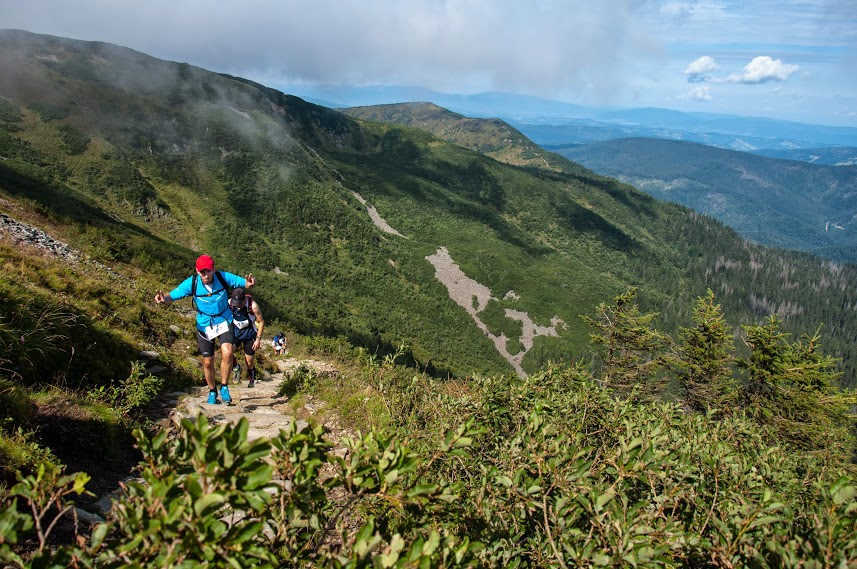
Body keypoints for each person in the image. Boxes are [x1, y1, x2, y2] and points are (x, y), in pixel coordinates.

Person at [154, 254, 254, 404]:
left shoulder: (222, 277)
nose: (205, 275)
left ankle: (224, 387)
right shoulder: (192, 283)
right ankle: (212, 391)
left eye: (208, 271)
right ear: (197, 271)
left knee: (227, 352)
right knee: (208, 362)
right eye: (202, 272)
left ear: (213, 269)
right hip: (204, 324)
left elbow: (242, 282)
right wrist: (163, 299)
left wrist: (249, 283)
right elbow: (174, 295)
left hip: (224, 320)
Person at [229, 287, 264, 388]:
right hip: (235, 332)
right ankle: (236, 368)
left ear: (244, 299)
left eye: (239, 303)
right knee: (227, 352)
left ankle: (251, 379)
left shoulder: (253, 305)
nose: (238, 305)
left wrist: (258, 339)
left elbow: (261, 321)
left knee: (249, 360)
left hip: (249, 333)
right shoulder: (230, 303)